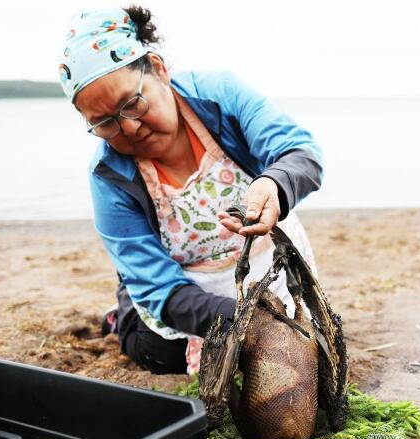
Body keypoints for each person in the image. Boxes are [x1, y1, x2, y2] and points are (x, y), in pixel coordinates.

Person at [59, 6, 323, 374]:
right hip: (186, 286)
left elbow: (301, 154)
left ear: (159, 69)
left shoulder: (221, 95)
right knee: (161, 355)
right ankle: (121, 319)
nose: (129, 128)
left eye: (132, 104)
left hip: (266, 262)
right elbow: (160, 289)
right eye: (105, 123)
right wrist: (246, 318)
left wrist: (275, 184)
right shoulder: (107, 175)